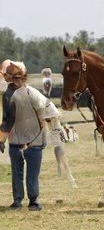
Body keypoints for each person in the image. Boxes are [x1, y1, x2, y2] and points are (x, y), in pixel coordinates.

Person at [0, 60, 53, 211]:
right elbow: (6, 120)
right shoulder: (8, 96)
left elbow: (46, 113)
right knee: (17, 172)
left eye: (19, 78)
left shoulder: (32, 94)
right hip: (17, 141)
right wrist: (1, 139)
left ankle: (33, 201)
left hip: (33, 141)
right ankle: (18, 201)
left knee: (31, 174)